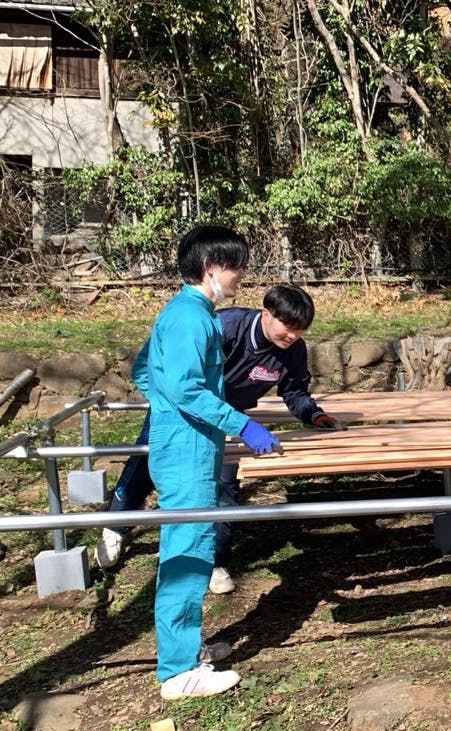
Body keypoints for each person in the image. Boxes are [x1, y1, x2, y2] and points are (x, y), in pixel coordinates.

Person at [96, 284, 346, 594]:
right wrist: (163, 402)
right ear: (266, 313)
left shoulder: (293, 349)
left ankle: (214, 562)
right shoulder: (223, 327)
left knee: (225, 484)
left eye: (300, 330)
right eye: (288, 327)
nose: (293, 336)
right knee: (146, 464)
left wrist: (313, 415)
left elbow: (294, 391)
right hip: (180, 410)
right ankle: (116, 526)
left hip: (230, 420)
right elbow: (164, 372)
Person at [135, 224, 282, 698]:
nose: (240, 276)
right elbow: (183, 387)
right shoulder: (190, 318)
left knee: (192, 547)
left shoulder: (188, 313)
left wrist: (165, 409)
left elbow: (144, 370)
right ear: (209, 268)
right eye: (235, 266)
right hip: (187, 452)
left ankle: (185, 646)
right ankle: (178, 673)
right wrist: (241, 423)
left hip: (190, 443)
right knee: (189, 550)